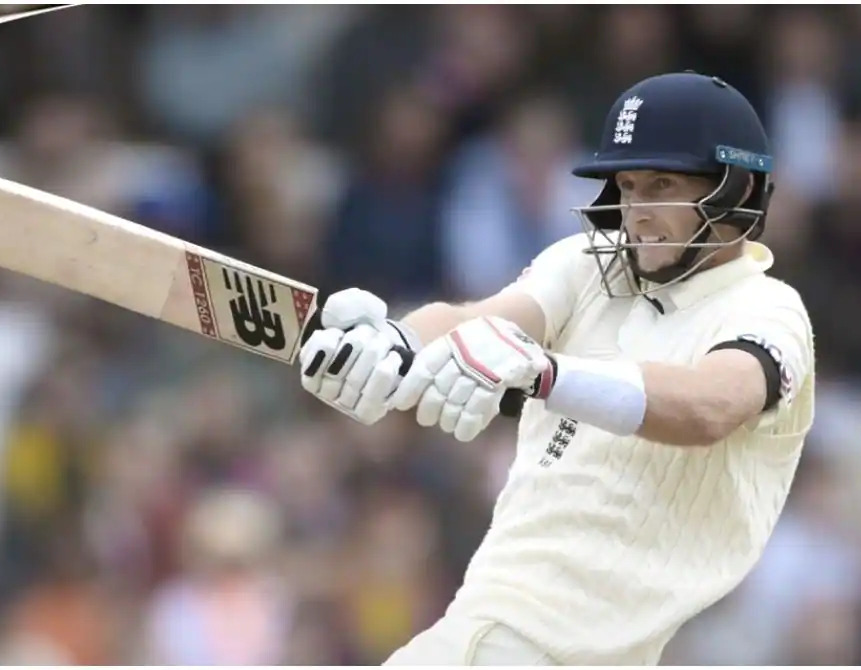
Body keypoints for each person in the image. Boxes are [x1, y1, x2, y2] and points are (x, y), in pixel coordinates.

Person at [298, 71, 816, 665]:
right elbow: (482, 317)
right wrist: (394, 340)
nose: (636, 213)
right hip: (487, 631)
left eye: (662, 185)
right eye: (627, 186)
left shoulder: (768, 308)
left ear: (738, 187)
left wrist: (547, 374)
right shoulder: (588, 265)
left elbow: (711, 406)